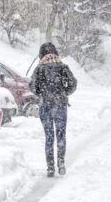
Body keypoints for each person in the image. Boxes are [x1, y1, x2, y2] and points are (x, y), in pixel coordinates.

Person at [29, 42, 77, 177]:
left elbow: (32, 87)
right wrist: (64, 92)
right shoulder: (63, 67)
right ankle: (61, 162)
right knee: (61, 134)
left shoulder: (39, 69)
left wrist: (41, 93)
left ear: (41, 54)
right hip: (60, 105)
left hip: (45, 106)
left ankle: (50, 167)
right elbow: (73, 84)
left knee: (49, 137)